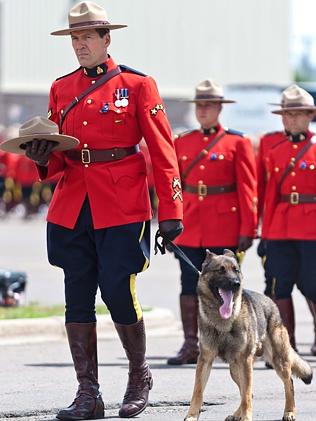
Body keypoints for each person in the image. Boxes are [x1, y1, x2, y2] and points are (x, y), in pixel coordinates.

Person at [22, 2, 183, 419]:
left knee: (116, 289)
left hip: (122, 202)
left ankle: (138, 375)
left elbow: (163, 151)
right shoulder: (62, 88)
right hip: (73, 203)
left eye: (87, 37)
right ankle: (88, 394)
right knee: (76, 295)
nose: (79, 45)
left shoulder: (137, 84)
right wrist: (41, 157)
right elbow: (58, 161)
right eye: (74, 38)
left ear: (106, 38)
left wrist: (172, 209)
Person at [167, 79, 257, 365]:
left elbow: (247, 188)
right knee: (187, 284)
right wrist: (170, 222)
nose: (203, 111)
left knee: (227, 286)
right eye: (199, 106)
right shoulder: (182, 142)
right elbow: (174, 185)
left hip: (224, 224)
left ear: (219, 108)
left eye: (209, 105)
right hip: (190, 226)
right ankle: (191, 344)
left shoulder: (237, 142)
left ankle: (229, 343)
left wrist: (248, 228)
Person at [262, 84, 316, 355]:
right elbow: (271, 195)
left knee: (312, 283)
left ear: (310, 116)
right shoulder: (275, 150)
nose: (292, 118)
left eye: (298, 113)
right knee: (279, 285)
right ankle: (287, 345)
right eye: (288, 114)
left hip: (312, 229)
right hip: (281, 229)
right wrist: (266, 234)